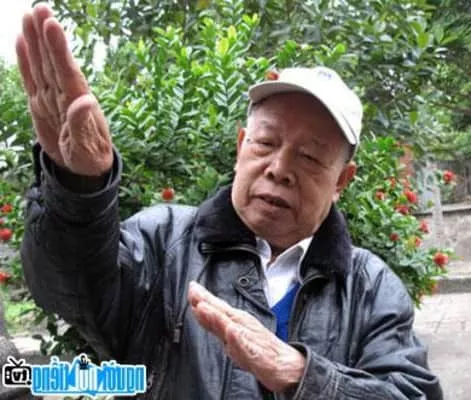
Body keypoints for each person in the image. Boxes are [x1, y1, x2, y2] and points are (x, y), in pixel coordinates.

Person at [17, 4, 443, 399]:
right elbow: (69, 288)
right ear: (241, 147)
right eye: (266, 143)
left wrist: (302, 375)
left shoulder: (371, 287)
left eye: (310, 157)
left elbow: (410, 391)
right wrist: (78, 188)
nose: (279, 168)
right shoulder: (164, 243)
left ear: (341, 182)